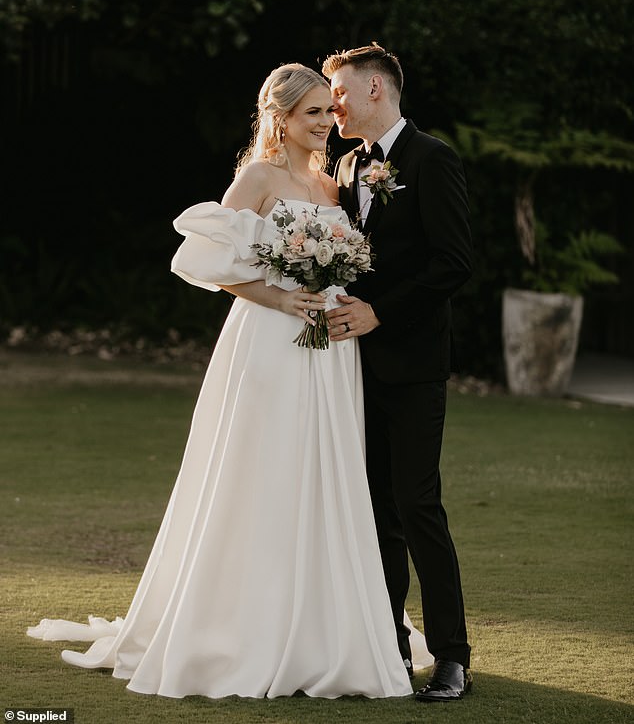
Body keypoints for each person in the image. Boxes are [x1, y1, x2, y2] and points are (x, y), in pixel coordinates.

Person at [27, 63, 432, 700]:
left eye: (330, 111)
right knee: (263, 471)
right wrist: (278, 298)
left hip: (330, 352)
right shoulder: (258, 178)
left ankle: (326, 631)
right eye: (314, 114)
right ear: (282, 118)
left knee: (325, 476)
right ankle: (246, 627)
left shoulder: (335, 185)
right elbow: (208, 260)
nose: (328, 124)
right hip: (272, 342)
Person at [322, 43, 473, 702]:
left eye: (341, 91)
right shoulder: (346, 162)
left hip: (412, 365)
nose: (334, 104)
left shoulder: (433, 159)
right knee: (375, 511)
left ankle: (452, 656)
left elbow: (452, 264)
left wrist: (381, 313)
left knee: (417, 505)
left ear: (377, 89)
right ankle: (387, 645)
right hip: (352, 369)